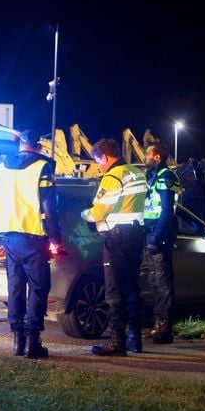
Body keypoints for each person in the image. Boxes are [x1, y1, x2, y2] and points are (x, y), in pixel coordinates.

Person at [0, 129, 62, 359]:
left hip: (8, 236)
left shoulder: (1, 168)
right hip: (33, 237)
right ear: (37, 146)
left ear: (20, 145)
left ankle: (17, 341)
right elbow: (49, 206)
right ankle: (32, 343)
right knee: (38, 289)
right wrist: (55, 238)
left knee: (15, 288)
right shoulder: (42, 167)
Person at [81, 138, 147, 357]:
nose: (98, 165)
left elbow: (98, 212)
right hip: (136, 235)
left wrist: (85, 215)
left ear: (106, 157)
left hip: (117, 238)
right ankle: (134, 339)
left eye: (98, 160)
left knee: (114, 290)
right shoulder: (136, 172)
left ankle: (116, 341)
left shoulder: (112, 177)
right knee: (132, 288)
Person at [143, 141, 181, 347]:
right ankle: (158, 325)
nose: (145, 157)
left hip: (160, 234)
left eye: (148, 154)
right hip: (151, 232)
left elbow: (166, 211)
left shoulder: (166, 175)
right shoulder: (153, 176)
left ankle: (165, 329)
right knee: (155, 281)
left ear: (157, 157)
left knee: (163, 283)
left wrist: (157, 236)